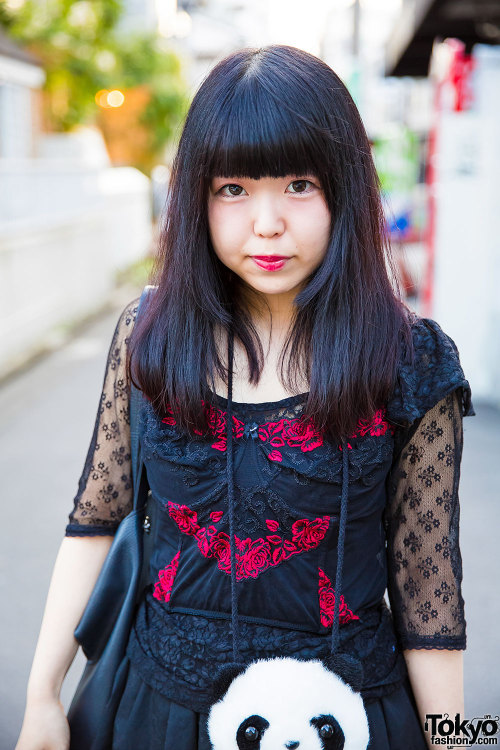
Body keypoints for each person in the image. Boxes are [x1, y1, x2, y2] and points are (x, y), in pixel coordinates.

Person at [16, 45, 474, 750]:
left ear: (344, 191)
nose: (266, 223)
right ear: (198, 196)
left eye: (298, 185)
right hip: (159, 715)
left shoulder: (410, 359)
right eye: (233, 188)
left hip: (342, 720)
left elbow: (427, 591)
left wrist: (462, 743)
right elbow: (95, 517)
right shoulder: (150, 335)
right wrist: (41, 695)